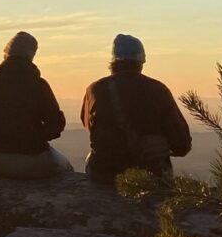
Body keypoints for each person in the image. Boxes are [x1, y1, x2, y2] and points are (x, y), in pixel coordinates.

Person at [0, 31, 71, 180]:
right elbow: (55, 123)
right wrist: (37, 137)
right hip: (31, 158)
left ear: (6, 54)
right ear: (31, 56)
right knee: (67, 167)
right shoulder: (38, 85)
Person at [81, 33, 191, 184]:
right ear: (141, 61)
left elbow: (89, 124)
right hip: (150, 175)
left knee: (90, 158)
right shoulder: (158, 90)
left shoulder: (94, 90)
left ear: (113, 62)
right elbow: (182, 144)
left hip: (105, 174)